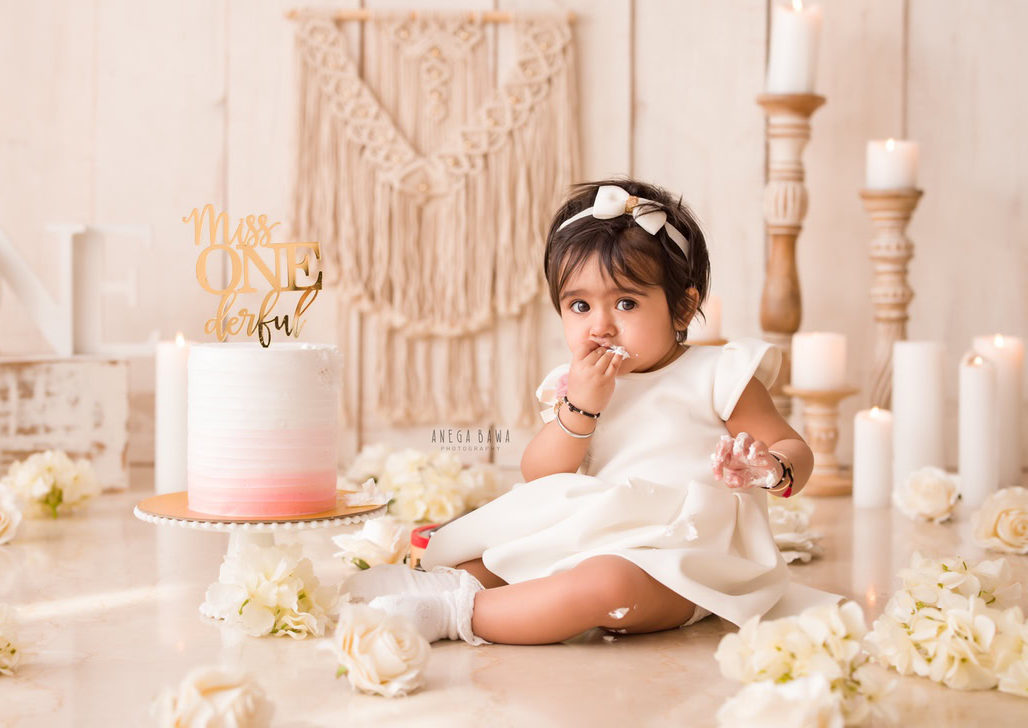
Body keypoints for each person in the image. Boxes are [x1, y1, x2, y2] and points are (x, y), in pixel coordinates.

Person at [341, 178, 843, 646]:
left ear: (684, 308)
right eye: (579, 306)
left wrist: (768, 467)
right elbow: (540, 476)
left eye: (625, 303)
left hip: (681, 557)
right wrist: (580, 409)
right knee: (493, 559)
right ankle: (437, 586)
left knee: (606, 584)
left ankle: (456, 616)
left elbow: (795, 449)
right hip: (591, 530)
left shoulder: (719, 372)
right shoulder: (577, 384)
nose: (600, 325)